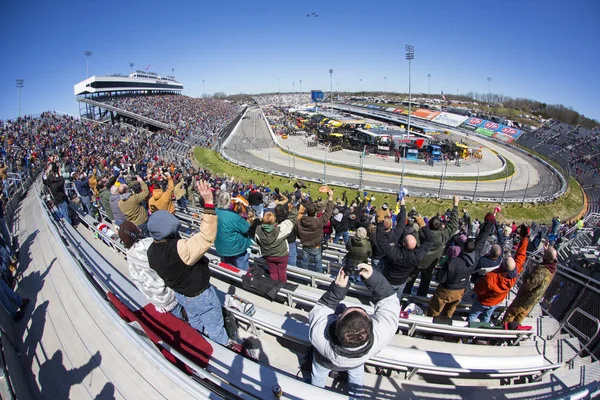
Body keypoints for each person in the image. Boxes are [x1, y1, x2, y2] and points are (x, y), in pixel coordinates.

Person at [147, 181, 229, 345]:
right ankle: (223, 353)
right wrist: (209, 203)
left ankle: (201, 345)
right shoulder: (180, 249)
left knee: (196, 324)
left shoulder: (151, 250)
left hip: (181, 295)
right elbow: (206, 237)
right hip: (199, 295)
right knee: (216, 328)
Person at [309, 263, 400, 394]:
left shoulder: (318, 336)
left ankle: (315, 393)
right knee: (357, 376)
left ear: (336, 321)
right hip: (357, 362)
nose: (348, 308)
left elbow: (318, 310)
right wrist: (375, 279)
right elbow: (390, 302)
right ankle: (356, 395)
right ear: (371, 326)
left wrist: (337, 291)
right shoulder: (382, 336)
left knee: (318, 375)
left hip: (324, 361)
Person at [427, 217, 494, 318]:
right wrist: (489, 222)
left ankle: (431, 327)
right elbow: (482, 240)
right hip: (461, 290)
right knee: (450, 310)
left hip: (447, 289)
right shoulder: (476, 258)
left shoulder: (453, 262)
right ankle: (446, 323)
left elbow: (440, 278)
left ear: (462, 247)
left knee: (434, 310)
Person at [119, 221, 183, 318]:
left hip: (155, 298)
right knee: (184, 316)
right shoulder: (148, 245)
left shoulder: (130, 253)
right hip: (168, 295)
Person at [376, 199, 434, 300]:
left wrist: (380, 223)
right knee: (396, 301)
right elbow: (430, 240)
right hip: (401, 281)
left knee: (382, 299)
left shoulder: (393, 253)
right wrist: (423, 225)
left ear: (402, 243)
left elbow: (381, 240)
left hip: (388, 279)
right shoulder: (417, 256)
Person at [469, 226, 529, 323]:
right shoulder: (515, 273)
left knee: (472, 315)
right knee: (486, 317)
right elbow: (521, 256)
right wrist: (524, 239)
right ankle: (483, 329)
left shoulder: (491, 277)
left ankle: (470, 331)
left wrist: (475, 292)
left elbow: (479, 289)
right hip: (497, 301)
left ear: (503, 265)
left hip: (484, 301)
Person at [404, 195, 460, 297]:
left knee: (409, 281)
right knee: (425, 284)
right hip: (430, 264)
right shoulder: (443, 235)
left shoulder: (420, 233)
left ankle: (404, 297)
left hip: (417, 262)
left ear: (428, 225)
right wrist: (455, 205)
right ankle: (420, 300)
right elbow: (454, 225)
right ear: (440, 227)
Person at [503, 243, 558, 325]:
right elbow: (551, 257)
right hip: (533, 300)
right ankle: (514, 330)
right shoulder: (553, 267)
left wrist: (526, 274)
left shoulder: (542, 271)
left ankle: (505, 329)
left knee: (511, 314)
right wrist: (546, 250)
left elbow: (528, 285)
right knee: (520, 317)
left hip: (525, 299)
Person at [255, 204, 298, 283]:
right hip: (281, 255)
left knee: (273, 272)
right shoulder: (279, 230)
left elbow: (258, 242)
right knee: (282, 272)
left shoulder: (258, 230)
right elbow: (291, 220)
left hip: (269, 255)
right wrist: (294, 208)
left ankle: (274, 287)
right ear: (274, 220)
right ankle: (283, 288)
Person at [297, 188, 333, 274]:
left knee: (305, 261)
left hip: (305, 245)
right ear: (315, 213)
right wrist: (330, 198)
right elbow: (328, 213)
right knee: (318, 262)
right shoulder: (318, 221)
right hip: (315, 246)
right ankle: (319, 276)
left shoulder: (300, 221)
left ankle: (303, 274)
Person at [214, 191, 252, 271]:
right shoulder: (234, 216)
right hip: (235, 247)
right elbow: (246, 228)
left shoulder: (214, 211)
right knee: (242, 263)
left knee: (229, 264)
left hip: (221, 246)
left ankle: (231, 277)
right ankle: (243, 279)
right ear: (229, 202)